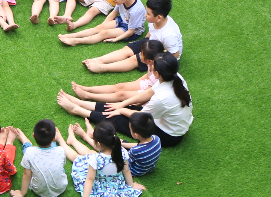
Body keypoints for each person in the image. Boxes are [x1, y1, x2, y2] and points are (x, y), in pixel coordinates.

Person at [59, 53, 192, 147]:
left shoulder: (162, 98)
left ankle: (77, 110)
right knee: (117, 107)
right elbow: (148, 92)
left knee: (117, 117)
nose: (150, 66)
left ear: (157, 73)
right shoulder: (174, 77)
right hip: (162, 119)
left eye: (152, 65)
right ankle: (81, 103)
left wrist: (121, 110)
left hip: (168, 134)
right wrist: (122, 104)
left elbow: (141, 117)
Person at [82, 0, 182, 74]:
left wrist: (156, 64)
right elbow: (152, 31)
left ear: (159, 17)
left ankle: (103, 67)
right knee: (126, 50)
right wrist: (143, 42)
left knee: (134, 59)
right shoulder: (155, 20)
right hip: (152, 43)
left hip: (162, 54)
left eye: (148, 13)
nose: (145, 15)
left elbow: (175, 54)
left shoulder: (169, 35)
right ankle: (99, 60)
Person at [63, 121, 145, 197]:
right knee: (90, 153)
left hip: (99, 186)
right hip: (115, 185)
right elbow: (126, 171)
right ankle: (72, 140)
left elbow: (90, 179)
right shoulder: (122, 151)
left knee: (77, 157)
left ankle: (63, 142)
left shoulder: (96, 159)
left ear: (99, 143)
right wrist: (131, 185)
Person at [68, 40, 165, 103]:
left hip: (152, 93)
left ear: (150, 60)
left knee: (121, 94)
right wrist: (135, 83)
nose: (139, 55)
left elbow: (152, 91)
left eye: (142, 54)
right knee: (119, 86)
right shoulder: (151, 63)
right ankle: (86, 89)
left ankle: (87, 95)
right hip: (148, 85)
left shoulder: (160, 71)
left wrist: (141, 99)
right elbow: (148, 75)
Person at [58, 0, 144, 45]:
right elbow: (114, 13)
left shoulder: (135, 11)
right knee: (99, 28)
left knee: (104, 33)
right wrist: (103, 25)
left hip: (131, 30)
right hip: (124, 19)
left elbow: (130, 32)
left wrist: (115, 39)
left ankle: (75, 41)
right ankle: (72, 35)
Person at [10, 120, 68, 197]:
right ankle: (48, 140)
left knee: (27, 149)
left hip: (39, 190)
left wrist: (22, 193)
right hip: (60, 188)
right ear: (55, 138)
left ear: (33, 135)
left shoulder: (29, 152)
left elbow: (27, 175)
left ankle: (24, 140)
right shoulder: (60, 150)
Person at [118, 113, 161, 177]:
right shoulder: (156, 138)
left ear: (136, 135)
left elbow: (125, 162)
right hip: (149, 168)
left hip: (135, 171)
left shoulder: (135, 151)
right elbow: (138, 146)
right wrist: (121, 144)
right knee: (121, 143)